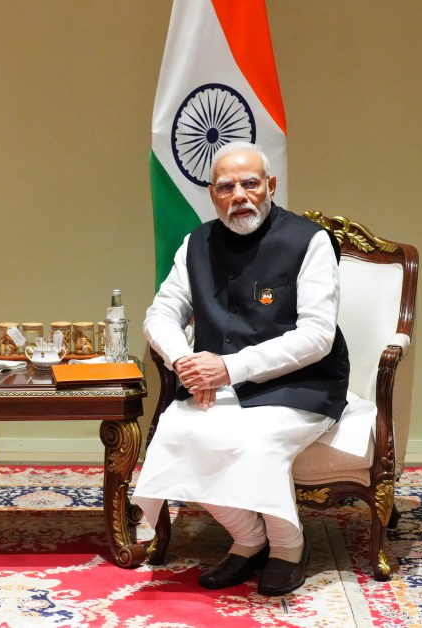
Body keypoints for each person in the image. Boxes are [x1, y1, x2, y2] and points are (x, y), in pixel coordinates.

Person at [133, 141, 350, 596]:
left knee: (253, 441)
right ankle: (249, 540)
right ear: (212, 194)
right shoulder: (197, 242)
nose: (240, 195)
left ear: (270, 186)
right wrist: (185, 363)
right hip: (215, 381)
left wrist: (228, 368)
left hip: (301, 385)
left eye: (250, 183)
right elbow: (161, 314)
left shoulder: (308, 241)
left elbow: (317, 337)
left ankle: (289, 547)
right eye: (226, 186)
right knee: (179, 434)